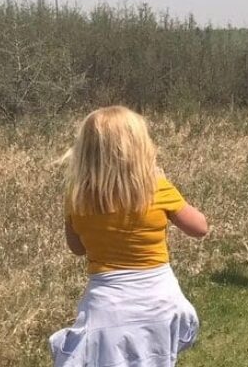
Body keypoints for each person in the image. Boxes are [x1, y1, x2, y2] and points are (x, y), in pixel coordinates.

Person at [51, 106, 209, 366]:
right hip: (158, 300)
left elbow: (76, 247)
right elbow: (200, 228)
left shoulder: (76, 195)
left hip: (106, 304)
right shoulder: (155, 187)